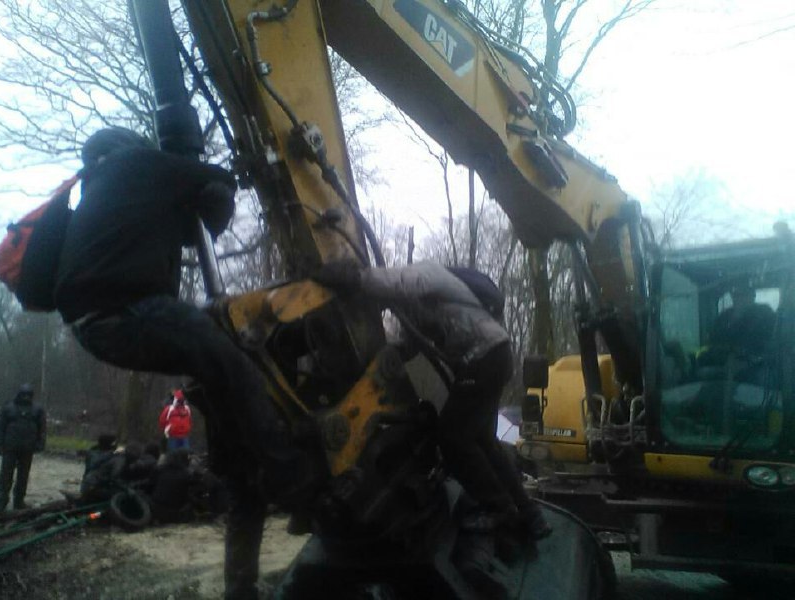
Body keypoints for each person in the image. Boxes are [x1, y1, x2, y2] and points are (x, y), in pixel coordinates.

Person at [53, 127, 319, 599]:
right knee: (222, 353)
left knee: (241, 485)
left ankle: (241, 587)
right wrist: (202, 188)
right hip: (127, 310)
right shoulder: (135, 166)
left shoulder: (100, 198)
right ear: (129, 148)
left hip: (92, 327)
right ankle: (293, 478)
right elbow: (216, 179)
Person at [313, 260, 551, 540]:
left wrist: (355, 277)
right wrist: (385, 359)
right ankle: (529, 514)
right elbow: (415, 344)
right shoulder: (421, 309)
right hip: (493, 357)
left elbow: (400, 282)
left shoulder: (430, 274)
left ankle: (498, 509)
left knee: (452, 437)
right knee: (483, 440)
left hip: (484, 358)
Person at [0, 384, 46, 512]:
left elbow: (42, 428)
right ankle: (2, 501)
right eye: (23, 394)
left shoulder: (37, 409)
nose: (25, 397)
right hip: (10, 447)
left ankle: (19, 501)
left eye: (28, 395)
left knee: (23, 476)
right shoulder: (8, 408)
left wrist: (41, 443)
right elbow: (0, 427)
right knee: (5, 475)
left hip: (27, 448)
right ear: (19, 394)